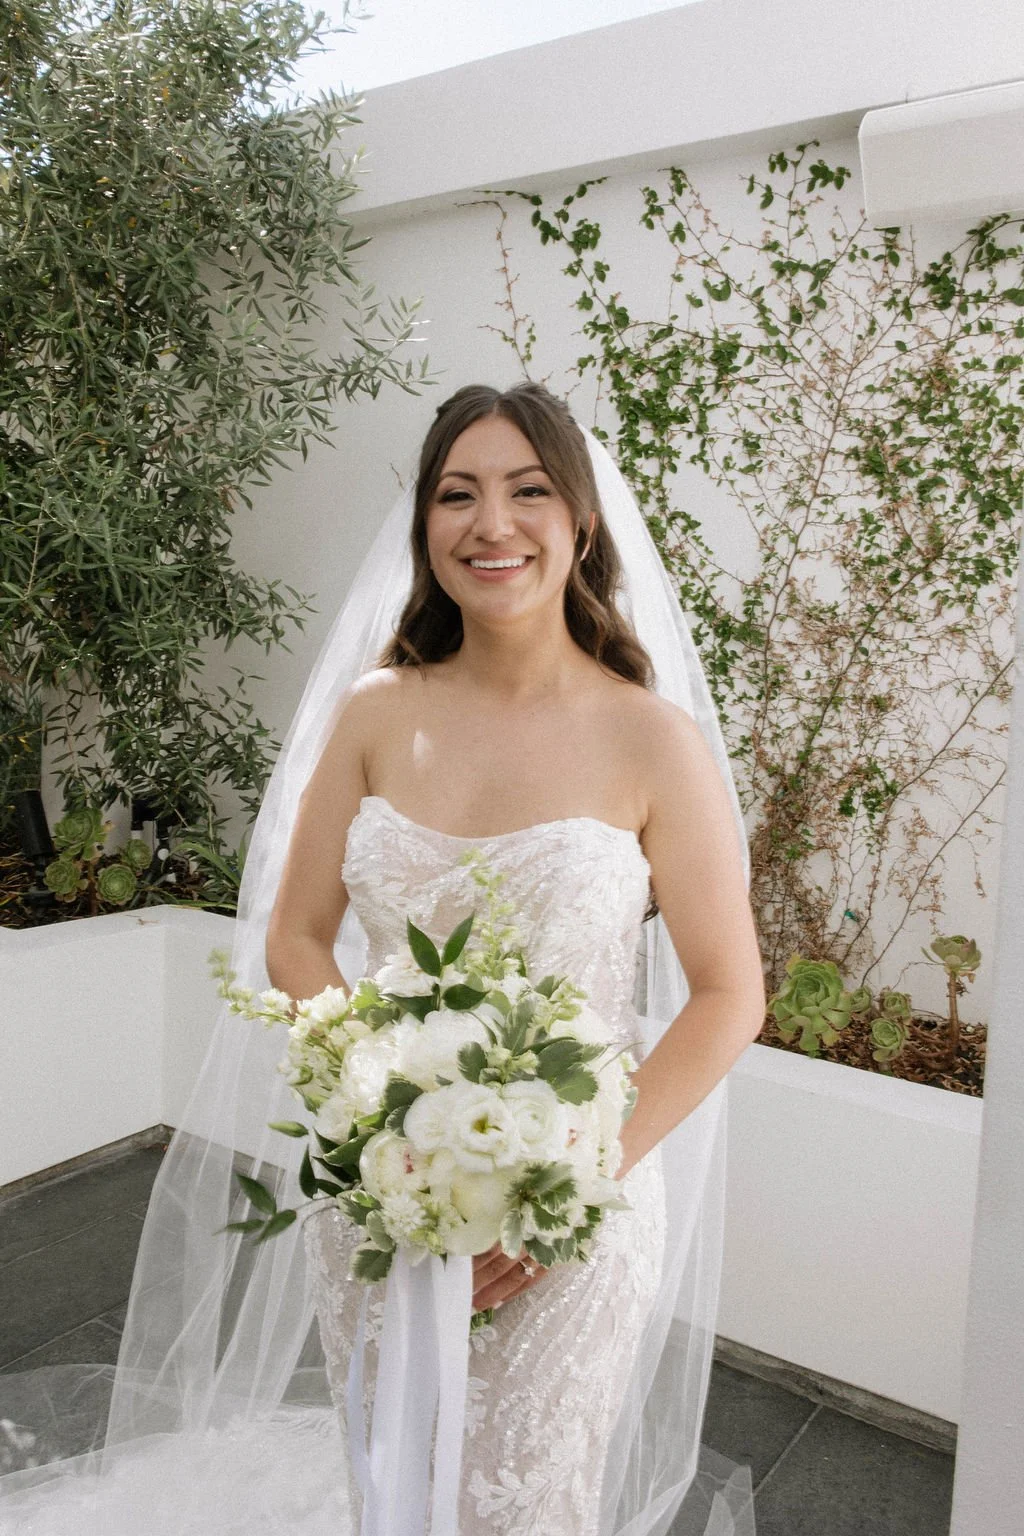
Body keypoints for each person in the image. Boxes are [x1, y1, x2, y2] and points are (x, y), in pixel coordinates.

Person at [0, 382, 763, 1536]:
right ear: (424, 527)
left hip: (577, 1209)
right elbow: (297, 934)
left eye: (527, 491)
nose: (489, 524)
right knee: (390, 1473)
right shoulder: (373, 712)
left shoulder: (651, 738)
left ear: (583, 524)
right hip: (382, 1186)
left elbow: (727, 994)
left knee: (519, 1498)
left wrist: (570, 1176)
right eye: (456, 495)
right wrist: (383, 1114)